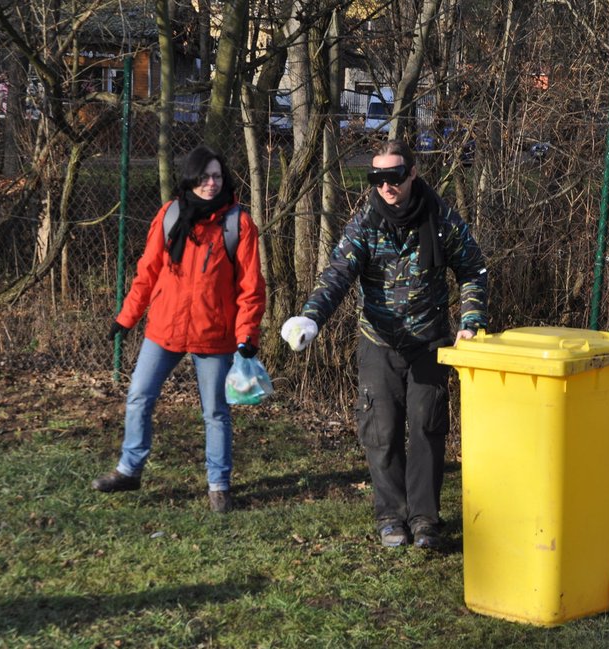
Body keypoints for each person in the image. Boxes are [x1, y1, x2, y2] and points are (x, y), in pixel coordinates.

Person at [280, 140, 488, 548]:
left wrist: (471, 321)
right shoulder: (366, 224)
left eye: (394, 176)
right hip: (379, 341)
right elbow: (338, 273)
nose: (386, 186)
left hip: (429, 342)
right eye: (377, 178)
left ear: (411, 174)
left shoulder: (441, 219)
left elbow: (473, 269)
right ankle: (392, 516)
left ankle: (425, 518)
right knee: (382, 429)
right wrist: (311, 317)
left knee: (428, 428)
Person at [92, 145, 266, 513]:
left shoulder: (238, 224)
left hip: (214, 334)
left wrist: (246, 337)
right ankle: (129, 469)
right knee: (139, 396)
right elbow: (147, 272)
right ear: (190, 178)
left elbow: (251, 288)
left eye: (217, 176)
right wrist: (126, 317)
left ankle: (218, 485)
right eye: (204, 176)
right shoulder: (170, 215)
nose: (211, 183)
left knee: (216, 412)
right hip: (164, 329)